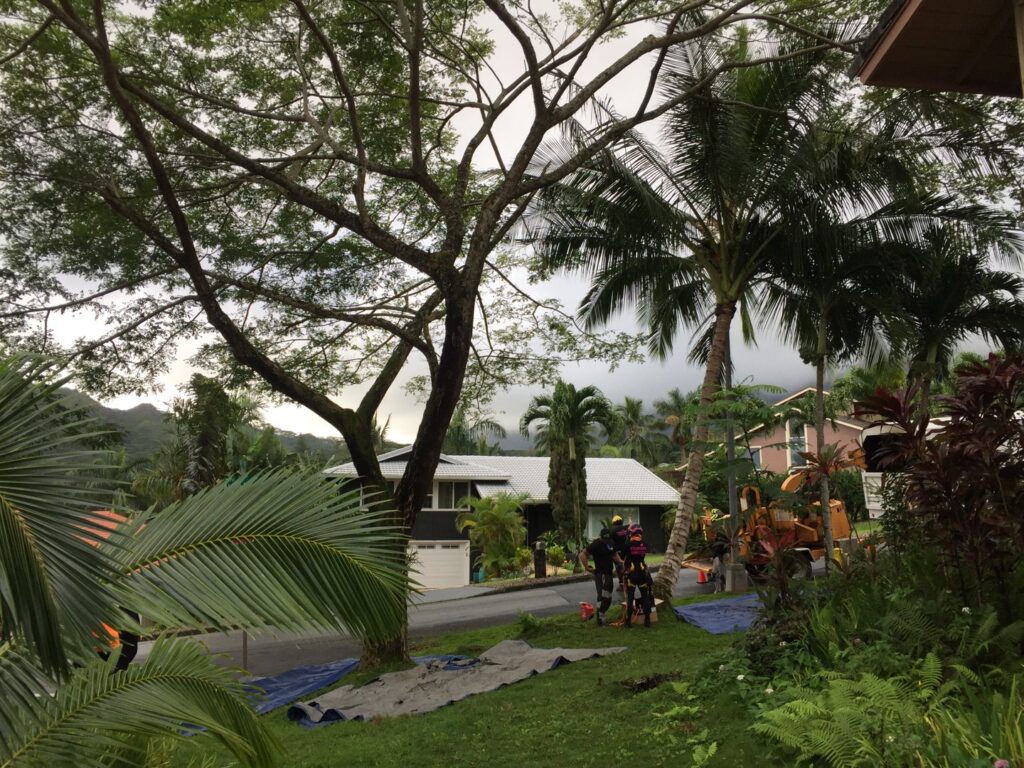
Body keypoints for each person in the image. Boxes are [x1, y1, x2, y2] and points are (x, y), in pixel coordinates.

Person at [579, 528, 621, 626]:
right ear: (600, 537)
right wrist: (587, 567)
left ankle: (602, 613)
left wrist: (620, 561)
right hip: (600, 574)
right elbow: (583, 554)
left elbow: (614, 554)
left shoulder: (610, 542)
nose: (606, 542)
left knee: (608, 596)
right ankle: (600, 618)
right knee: (602, 596)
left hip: (609, 573)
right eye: (604, 540)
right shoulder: (595, 544)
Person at [623, 525, 654, 627]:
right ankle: (647, 620)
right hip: (642, 572)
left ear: (631, 533)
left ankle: (628, 622)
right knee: (645, 596)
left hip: (632, 573)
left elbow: (623, 556)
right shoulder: (645, 544)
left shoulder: (628, 544)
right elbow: (647, 552)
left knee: (630, 597)